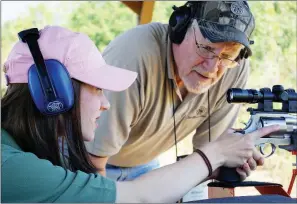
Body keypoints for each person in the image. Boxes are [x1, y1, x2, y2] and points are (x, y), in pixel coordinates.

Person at [1, 25, 281, 203]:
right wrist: (215, 154)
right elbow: (138, 197)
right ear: (55, 94)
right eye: (97, 90)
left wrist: (212, 165)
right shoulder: (14, 169)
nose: (106, 104)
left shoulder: (18, 153)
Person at [85, 0, 260, 185]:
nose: (212, 67)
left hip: (143, 165)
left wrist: (228, 166)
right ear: (180, 28)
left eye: (226, 56)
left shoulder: (235, 69)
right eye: (207, 48)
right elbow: (92, 164)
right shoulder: (132, 58)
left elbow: (210, 160)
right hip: (87, 163)